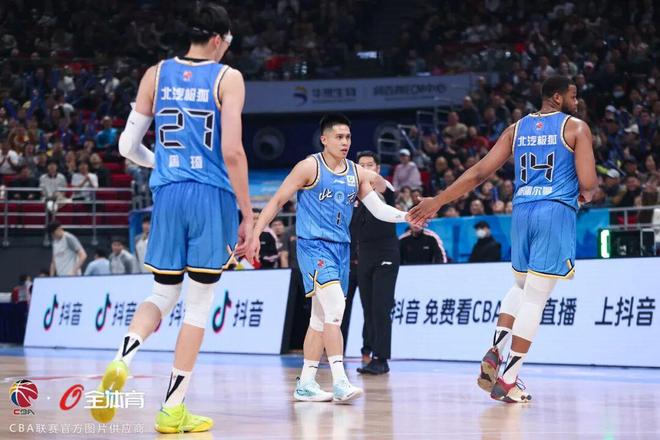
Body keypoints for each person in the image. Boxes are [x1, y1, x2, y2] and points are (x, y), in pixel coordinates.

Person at [92, 4, 254, 434]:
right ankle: (172, 409)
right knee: (197, 306)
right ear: (218, 39)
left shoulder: (156, 73)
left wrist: (161, 164)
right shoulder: (228, 78)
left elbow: (127, 146)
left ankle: (122, 359)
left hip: (166, 194)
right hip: (211, 196)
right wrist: (248, 214)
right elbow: (233, 151)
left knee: (161, 293)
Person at [409, 76, 598, 403]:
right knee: (537, 297)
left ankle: (496, 347)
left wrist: (437, 201)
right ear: (557, 97)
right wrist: (584, 195)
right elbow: (589, 183)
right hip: (554, 211)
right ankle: (509, 378)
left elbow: (478, 173)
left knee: (521, 286)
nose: (577, 101)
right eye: (573, 95)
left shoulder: (516, 129)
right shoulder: (577, 128)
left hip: (521, 212)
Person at [250, 113, 409, 403]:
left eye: (348, 137)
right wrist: (255, 234)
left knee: (320, 319)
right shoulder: (309, 167)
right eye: (339, 137)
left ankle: (306, 383)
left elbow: (378, 209)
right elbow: (278, 201)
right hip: (313, 246)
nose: (345, 142)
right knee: (335, 307)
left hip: (341, 249)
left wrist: (407, 217)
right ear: (324, 139)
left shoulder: (355, 173)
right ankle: (340, 381)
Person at [350, 151, 400, 375]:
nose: (366, 168)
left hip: (386, 254)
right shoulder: (354, 196)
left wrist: (367, 175)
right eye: (361, 165)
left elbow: (378, 184)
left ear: (378, 168)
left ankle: (382, 358)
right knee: (368, 309)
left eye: (370, 165)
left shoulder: (384, 188)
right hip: (364, 256)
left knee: (381, 308)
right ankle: (369, 353)